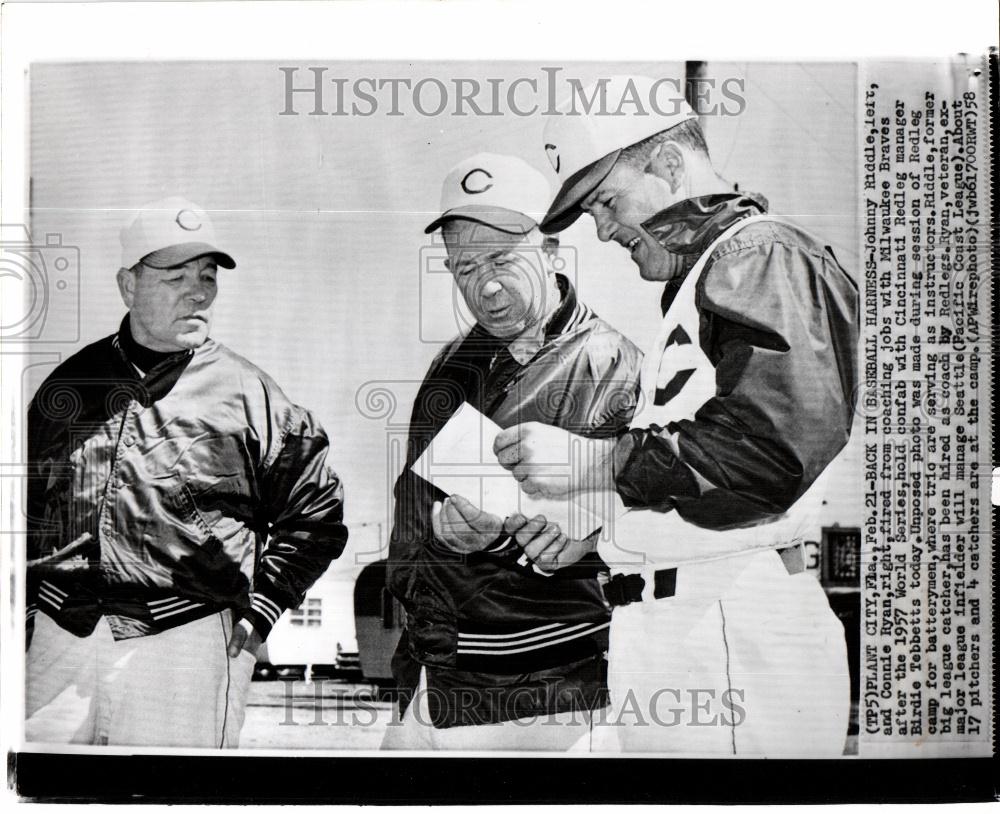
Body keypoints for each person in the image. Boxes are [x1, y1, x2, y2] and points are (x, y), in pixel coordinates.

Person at [495, 76, 859, 755]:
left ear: (667, 164)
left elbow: (769, 454)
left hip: (733, 631)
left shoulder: (758, 252)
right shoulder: (708, 273)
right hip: (685, 628)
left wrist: (593, 463)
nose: (602, 230)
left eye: (607, 200)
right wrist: (603, 538)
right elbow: (706, 473)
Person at [25, 197, 348, 747]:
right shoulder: (69, 385)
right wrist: (27, 606)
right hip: (61, 638)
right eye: (176, 276)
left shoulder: (250, 394)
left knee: (172, 801)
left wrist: (261, 613)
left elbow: (316, 517)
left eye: (207, 276)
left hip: (184, 645)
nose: (199, 291)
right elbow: (23, 509)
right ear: (128, 285)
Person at [381, 153, 642, 750]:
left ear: (550, 248)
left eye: (502, 258)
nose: (486, 285)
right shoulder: (451, 363)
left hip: (546, 692)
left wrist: (497, 537)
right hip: (432, 676)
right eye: (464, 267)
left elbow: (625, 542)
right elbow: (414, 511)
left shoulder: (614, 366)